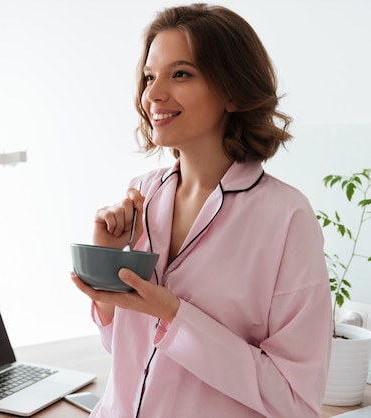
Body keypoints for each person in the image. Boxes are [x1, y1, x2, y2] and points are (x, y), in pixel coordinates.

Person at [70, 4, 332, 417]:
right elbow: (122, 350)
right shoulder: (141, 195)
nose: (154, 94)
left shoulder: (286, 219)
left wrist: (172, 313)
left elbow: (294, 400)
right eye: (149, 76)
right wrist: (106, 265)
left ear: (232, 90)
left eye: (181, 74)